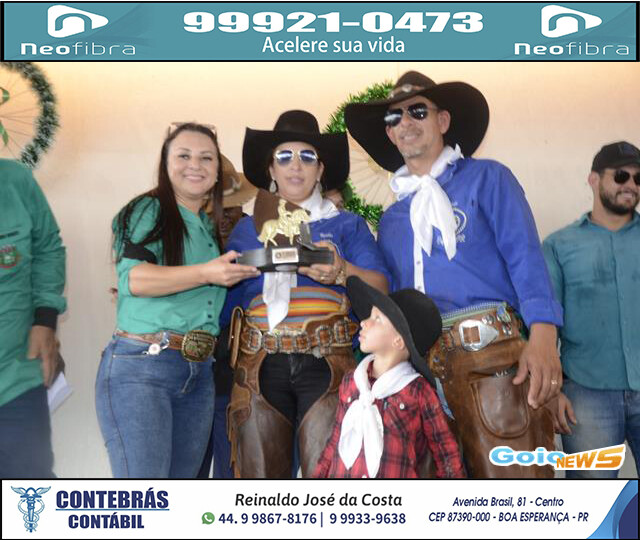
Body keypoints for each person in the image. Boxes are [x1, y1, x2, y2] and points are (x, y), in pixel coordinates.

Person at [344, 71, 563, 478]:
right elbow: (391, 297)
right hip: (421, 372)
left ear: (442, 121)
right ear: (389, 134)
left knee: (512, 492)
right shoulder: (392, 219)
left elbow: (525, 256)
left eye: (418, 111)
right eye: (394, 117)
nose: (405, 123)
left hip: (492, 358)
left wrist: (544, 337)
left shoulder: (489, 178)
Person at [225, 110, 390, 478]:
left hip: (328, 360)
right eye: (284, 156)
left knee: (329, 480)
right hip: (259, 365)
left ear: (320, 169)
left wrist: (343, 270)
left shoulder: (347, 224)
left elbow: (381, 287)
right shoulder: (245, 230)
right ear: (271, 169)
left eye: (307, 156)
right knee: (259, 486)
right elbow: (223, 299)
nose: (295, 165)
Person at [95, 123, 259, 478]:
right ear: (165, 163)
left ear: (216, 171)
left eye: (206, 158)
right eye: (184, 155)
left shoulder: (205, 227)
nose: (195, 165)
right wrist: (206, 273)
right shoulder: (147, 210)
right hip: (145, 367)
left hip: (197, 373)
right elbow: (134, 279)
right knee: (145, 499)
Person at [543, 141, 640, 478]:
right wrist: (552, 392)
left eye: (638, 179)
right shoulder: (558, 246)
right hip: (585, 394)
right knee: (593, 502)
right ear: (594, 179)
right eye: (622, 176)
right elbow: (545, 326)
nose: (631, 185)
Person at [313, 276, 465, 478]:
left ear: (398, 341)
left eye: (377, 319)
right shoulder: (352, 381)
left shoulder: (417, 391)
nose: (364, 322)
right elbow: (335, 441)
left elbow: (446, 453)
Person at [0, 159, 66, 478]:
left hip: (17, 378)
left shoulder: (14, 180)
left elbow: (48, 248)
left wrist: (45, 319)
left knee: (32, 495)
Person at [198, 154, 256, 479]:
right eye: (212, 211)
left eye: (229, 208)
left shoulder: (255, 237)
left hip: (238, 377)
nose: (222, 217)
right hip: (192, 372)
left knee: (231, 473)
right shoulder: (191, 245)